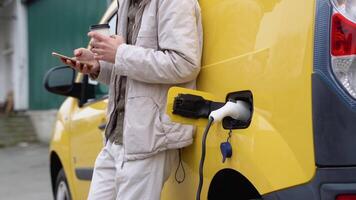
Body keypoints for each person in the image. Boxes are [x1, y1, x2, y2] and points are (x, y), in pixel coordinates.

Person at [62, 0, 202, 199]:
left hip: (149, 140)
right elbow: (130, 72)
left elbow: (184, 64)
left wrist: (120, 52)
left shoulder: (174, 2)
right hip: (115, 138)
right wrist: (98, 66)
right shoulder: (126, 3)